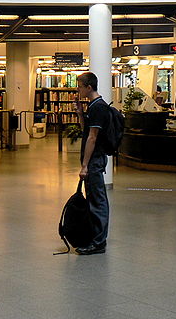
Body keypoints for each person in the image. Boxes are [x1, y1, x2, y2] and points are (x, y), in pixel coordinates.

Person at [74, 71, 111, 255]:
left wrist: (85, 165)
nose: (78, 90)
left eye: (80, 86)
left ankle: (98, 242)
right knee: (93, 199)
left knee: (97, 201)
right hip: (93, 160)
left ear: (89, 87)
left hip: (95, 161)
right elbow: (85, 130)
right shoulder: (92, 106)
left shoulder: (99, 107)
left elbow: (92, 138)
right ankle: (94, 238)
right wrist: (80, 114)